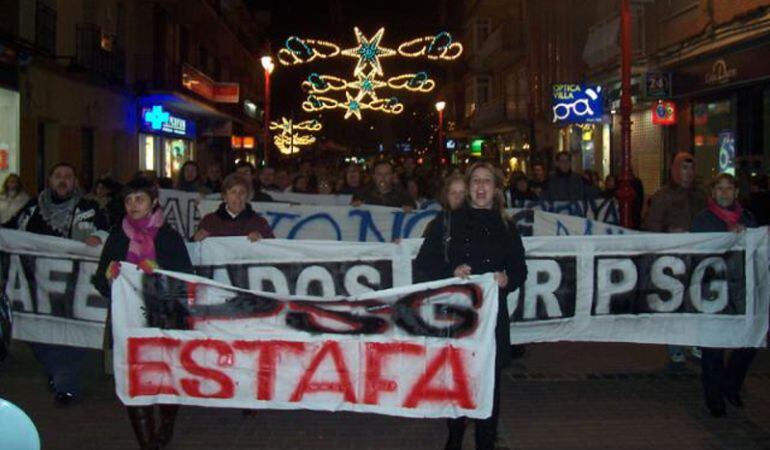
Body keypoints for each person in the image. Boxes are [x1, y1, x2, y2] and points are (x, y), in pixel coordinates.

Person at [414, 161, 527, 450]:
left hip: (491, 320)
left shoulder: (506, 225)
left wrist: (507, 279)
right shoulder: (448, 221)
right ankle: (455, 434)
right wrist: (451, 272)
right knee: (459, 380)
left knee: (489, 386)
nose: (480, 187)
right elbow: (424, 265)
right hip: (458, 317)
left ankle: (486, 441)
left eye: (487, 181)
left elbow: (519, 268)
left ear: (496, 188)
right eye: (475, 180)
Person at [93, 177, 192, 450]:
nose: (133, 205)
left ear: (154, 202)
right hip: (129, 323)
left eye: (140, 199)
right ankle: (146, 443)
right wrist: (109, 276)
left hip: (165, 320)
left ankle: (167, 424)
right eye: (128, 200)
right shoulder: (117, 236)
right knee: (134, 380)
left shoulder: (169, 237)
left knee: (166, 376)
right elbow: (101, 283)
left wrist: (158, 271)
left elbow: (185, 280)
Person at [5, 162, 108, 405]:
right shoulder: (31, 209)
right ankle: (59, 373)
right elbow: (9, 231)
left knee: (75, 335)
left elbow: (107, 231)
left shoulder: (89, 208)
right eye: (58, 176)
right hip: (37, 287)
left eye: (68, 177)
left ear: (75, 182)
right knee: (37, 332)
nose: (63, 180)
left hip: (76, 288)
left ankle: (65, 384)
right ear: (49, 180)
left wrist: (98, 237)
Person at [691, 173, 758, 418]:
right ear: (712, 193)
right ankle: (714, 398)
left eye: (729, 188)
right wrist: (729, 238)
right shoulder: (704, 220)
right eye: (719, 188)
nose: (724, 193)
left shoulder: (748, 218)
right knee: (713, 346)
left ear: (736, 192)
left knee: (749, 341)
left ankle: (731, 384)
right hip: (714, 289)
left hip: (742, 288)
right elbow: (700, 250)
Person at [644, 152, 707, 363]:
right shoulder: (664, 195)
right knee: (676, 301)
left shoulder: (700, 195)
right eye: (684, 169)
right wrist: (669, 230)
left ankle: (696, 341)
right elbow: (651, 224)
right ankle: (675, 345)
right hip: (673, 257)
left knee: (696, 299)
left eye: (691, 169)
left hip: (697, 255)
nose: (688, 174)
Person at [193, 173, 275, 241]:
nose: (238, 197)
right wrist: (196, 238)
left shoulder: (259, 223)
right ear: (225, 196)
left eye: (242, 192)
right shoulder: (209, 221)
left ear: (247, 197)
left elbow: (273, 249)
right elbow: (194, 251)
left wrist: (262, 239)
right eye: (233, 192)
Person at [352, 160, 416, 211]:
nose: (383, 178)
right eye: (379, 174)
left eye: (387, 174)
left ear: (392, 176)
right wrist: (354, 207)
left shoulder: (403, 196)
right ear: (373, 176)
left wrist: (410, 210)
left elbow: (415, 214)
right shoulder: (362, 194)